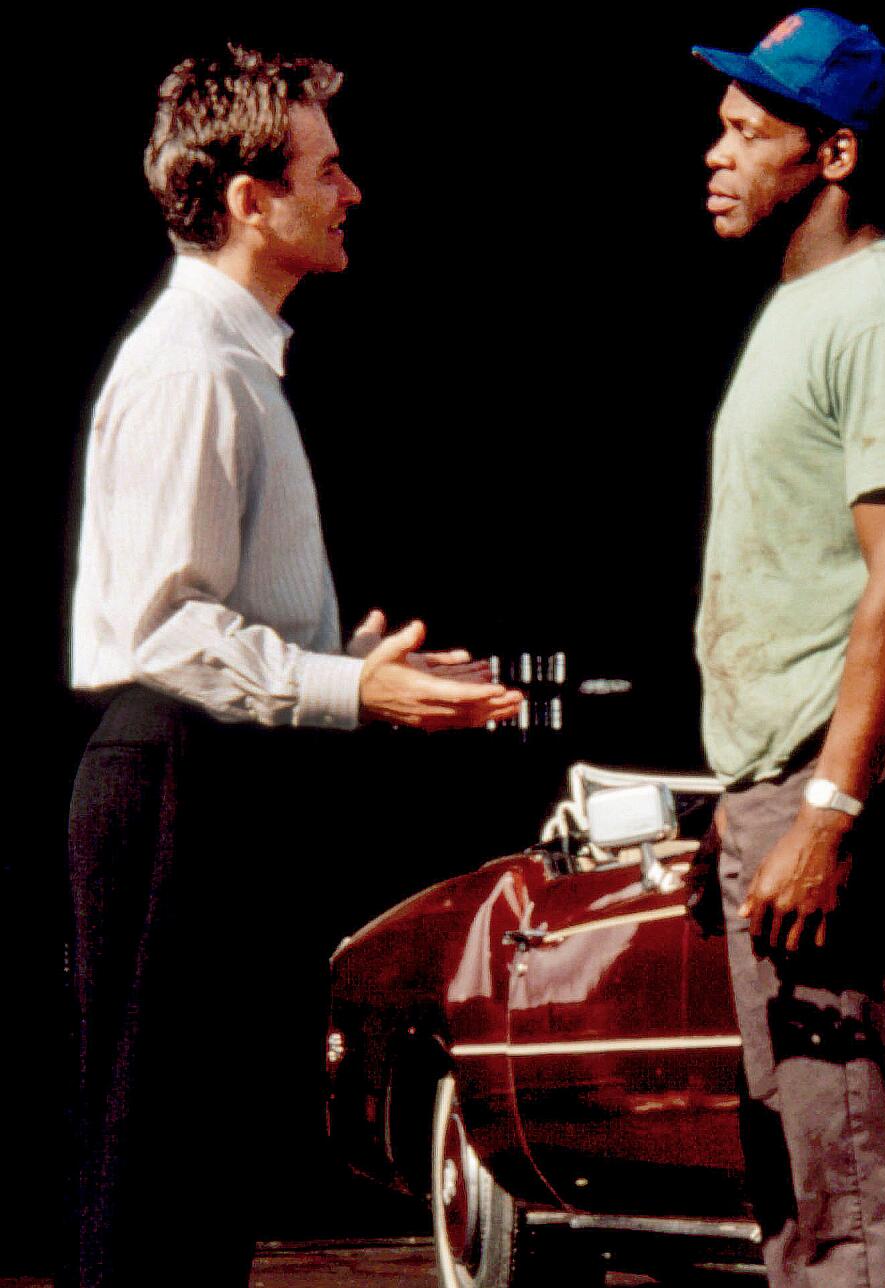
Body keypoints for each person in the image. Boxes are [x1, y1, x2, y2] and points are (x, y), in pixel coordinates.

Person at [65, 44, 521, 1288]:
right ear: (248, 198)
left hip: (213, 775)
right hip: (172, 777)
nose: (352, 190)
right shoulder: (195, 370)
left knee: (199, 1169)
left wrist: (348, 668)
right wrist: (346, 686)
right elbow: (162, 629)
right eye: (327, 167)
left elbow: (213, 616)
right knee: (155, 1164)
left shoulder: (237, 364)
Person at [691, 10, 885, 1286]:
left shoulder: (882, 315)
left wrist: (825, 810)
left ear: (836, 154)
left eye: (750, 132)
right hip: (783, 780)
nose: (717, 151)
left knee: (858, 1166)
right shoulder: (805, 308)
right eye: (723, 126)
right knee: (809, 1169)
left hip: (831, 780)